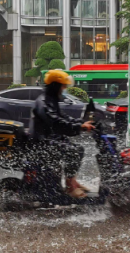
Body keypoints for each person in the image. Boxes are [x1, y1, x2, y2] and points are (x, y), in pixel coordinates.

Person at [30, 69, 94, 198]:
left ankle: (73, 182)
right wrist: (79, 127)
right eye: (63, 85)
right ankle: (70, 187)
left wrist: (80, 122)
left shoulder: (51, 99)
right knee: (73, 151)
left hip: (50, 139)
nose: (64, 88)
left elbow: (63, 117)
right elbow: (55, 122)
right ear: (55, 86)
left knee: (77, 149)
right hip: (42, 142)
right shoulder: (44, 102)